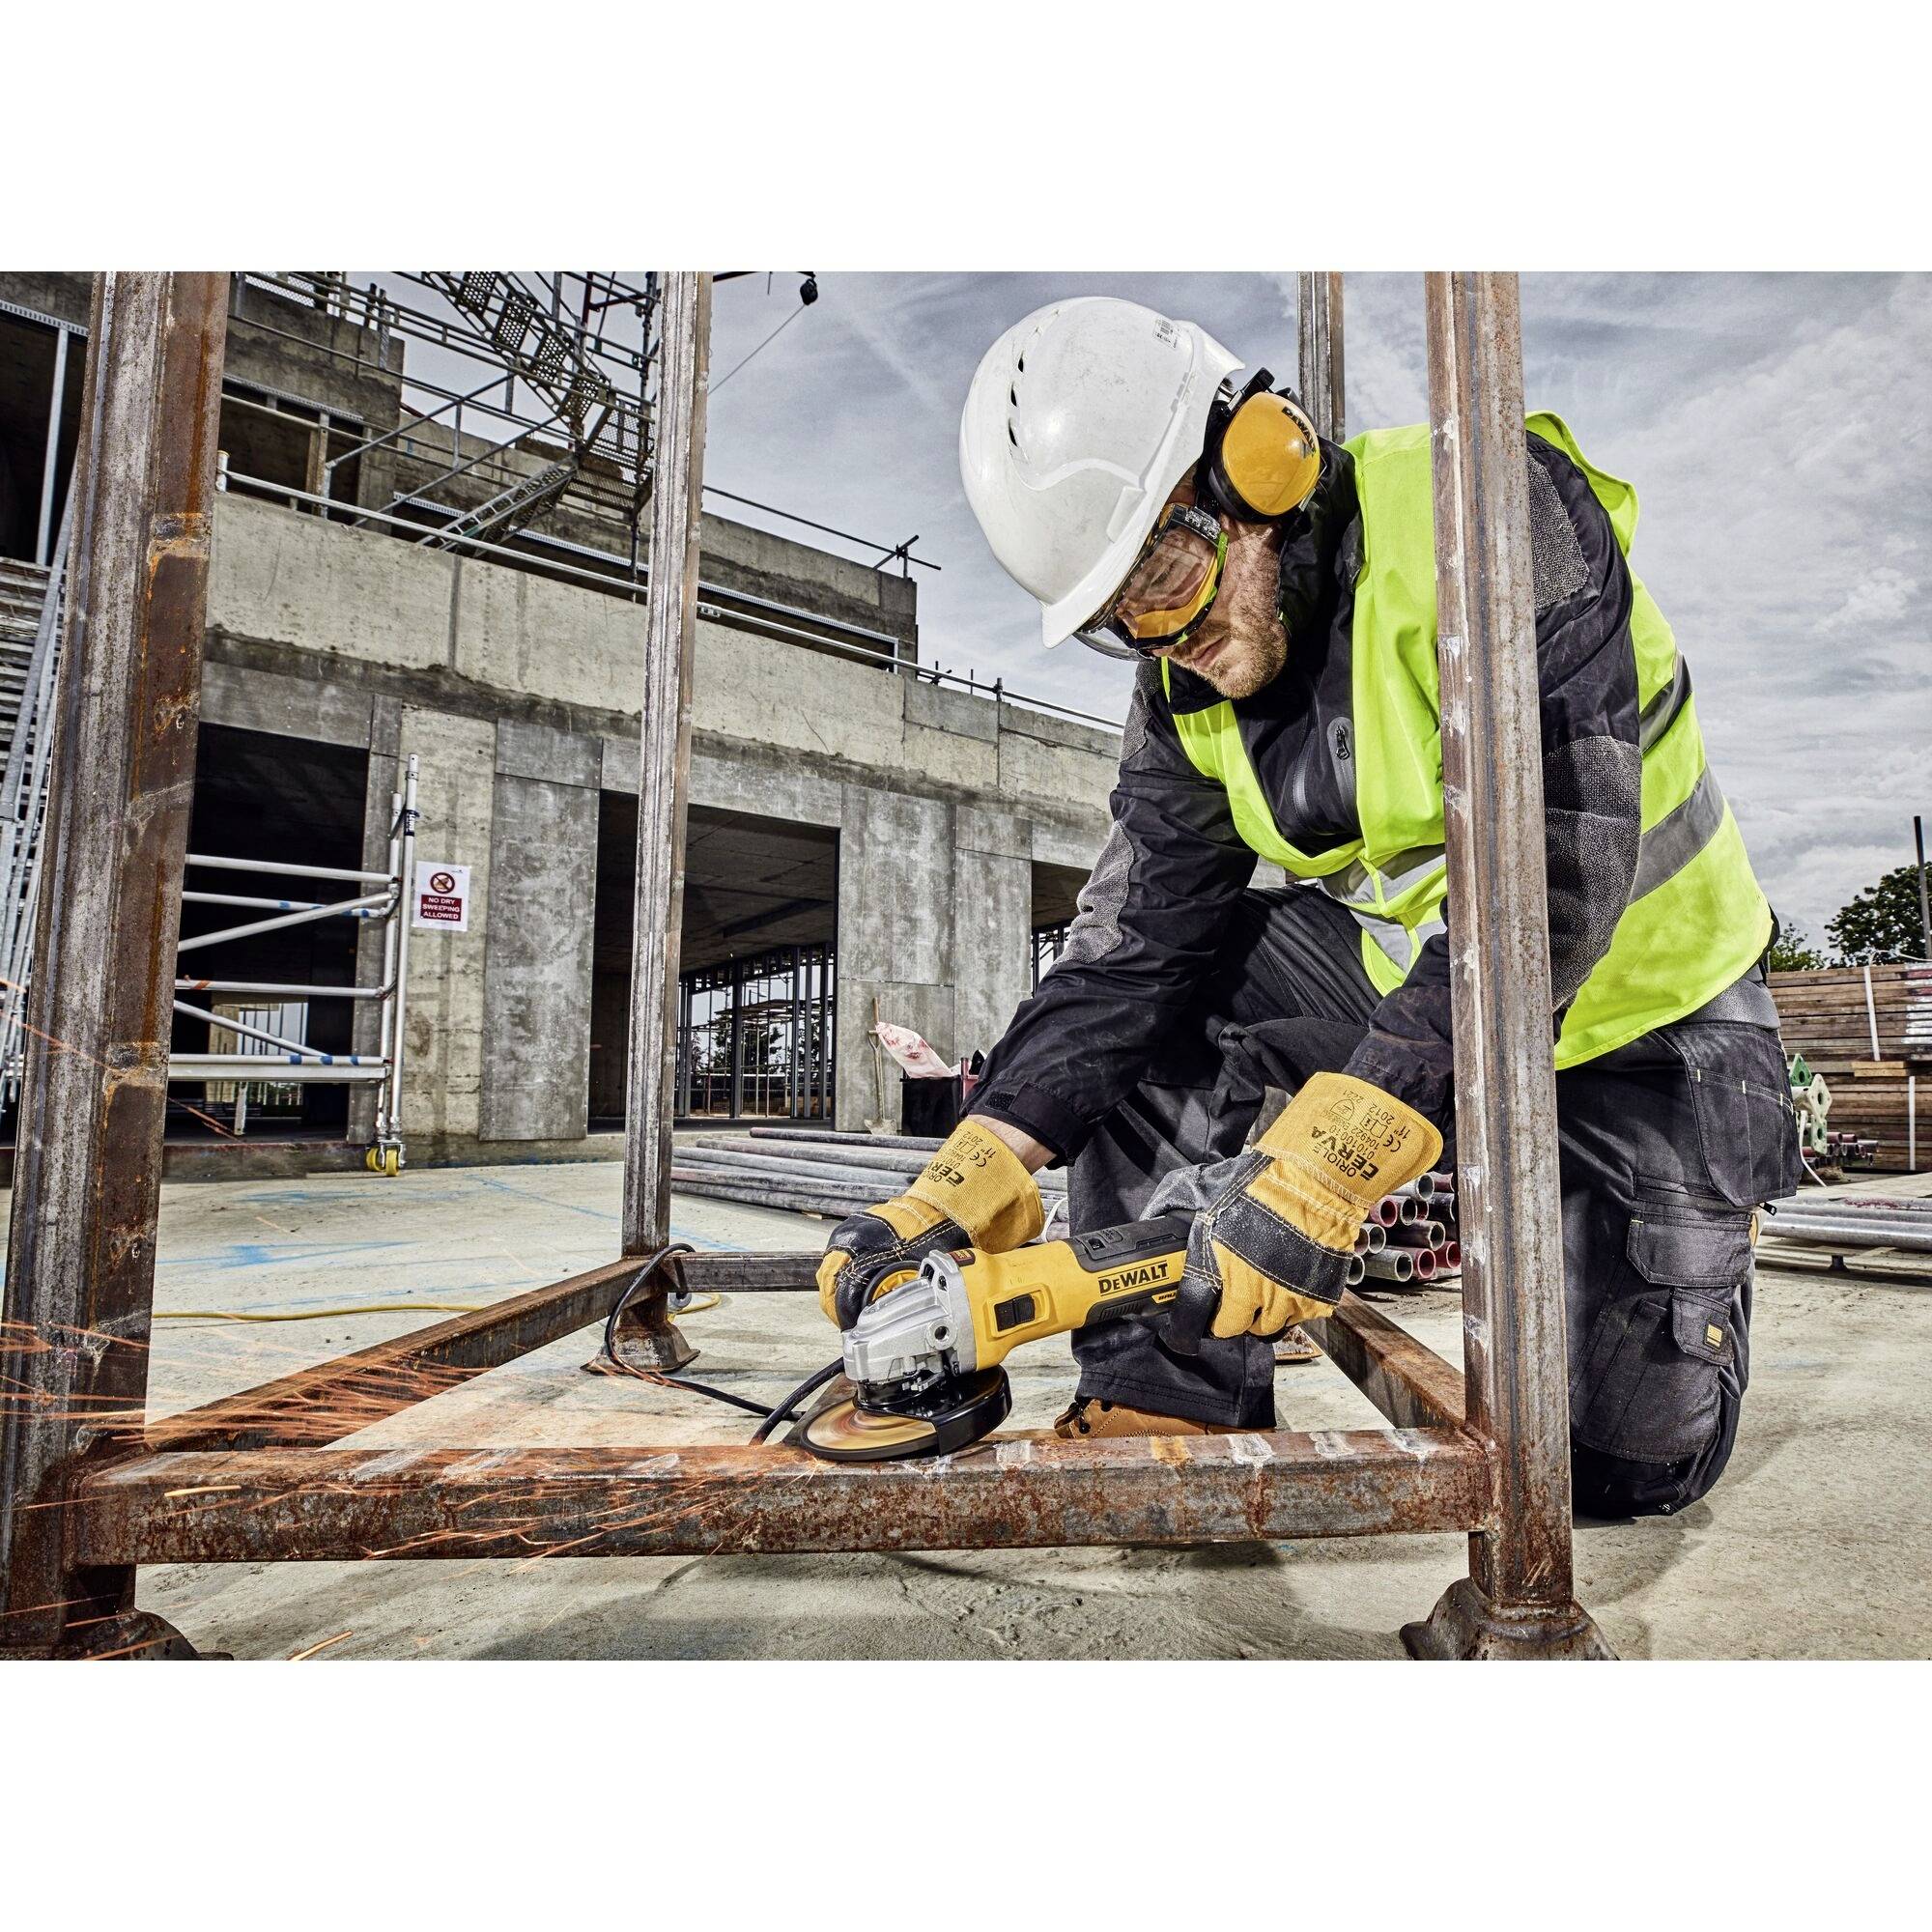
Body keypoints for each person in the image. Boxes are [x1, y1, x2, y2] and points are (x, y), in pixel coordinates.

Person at [817, 297, 1799, 1519]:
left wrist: (1330, 1158)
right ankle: (1162, 1393)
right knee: (1175, 991)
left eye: (1166, 577)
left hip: (1643, 1028)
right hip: (1419, 1002)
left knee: (1606, 1469)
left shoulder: (1491, 513)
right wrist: (968, 1171)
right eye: (1120, 624)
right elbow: (1132, 951)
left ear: (1261, 460)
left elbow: (1547, 883)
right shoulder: (1184, 688)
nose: (1166, 639)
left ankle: (1688, 1251)